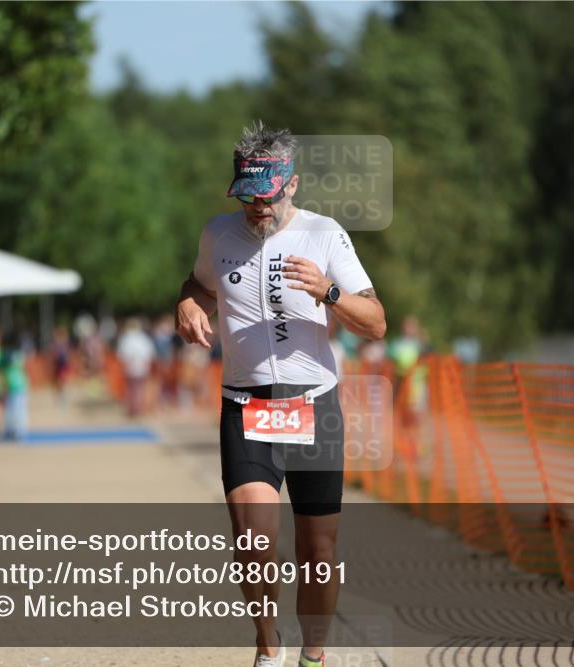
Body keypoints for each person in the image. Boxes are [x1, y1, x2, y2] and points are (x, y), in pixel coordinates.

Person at [175, 122, 386, 667]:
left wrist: (329, 291)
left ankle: (313, 657)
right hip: (245, 404)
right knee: (253, 543)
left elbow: (376, 323)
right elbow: (198, 282)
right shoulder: (218, 236)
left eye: (264, 196)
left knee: (318, 553)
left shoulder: (325, 234)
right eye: (245, 196)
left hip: (313, 404)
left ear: (291, 184)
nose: (254, 207)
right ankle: (269, 646)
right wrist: (190, 304)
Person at [117, 318, 155, 416]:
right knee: (139, 388)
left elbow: (121, 354)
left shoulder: (126, 338)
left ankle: (133, 408)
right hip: (140, 366)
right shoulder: (143, 338)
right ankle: (138, 408)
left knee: (131, 388)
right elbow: (149, 353)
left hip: (130, 366)